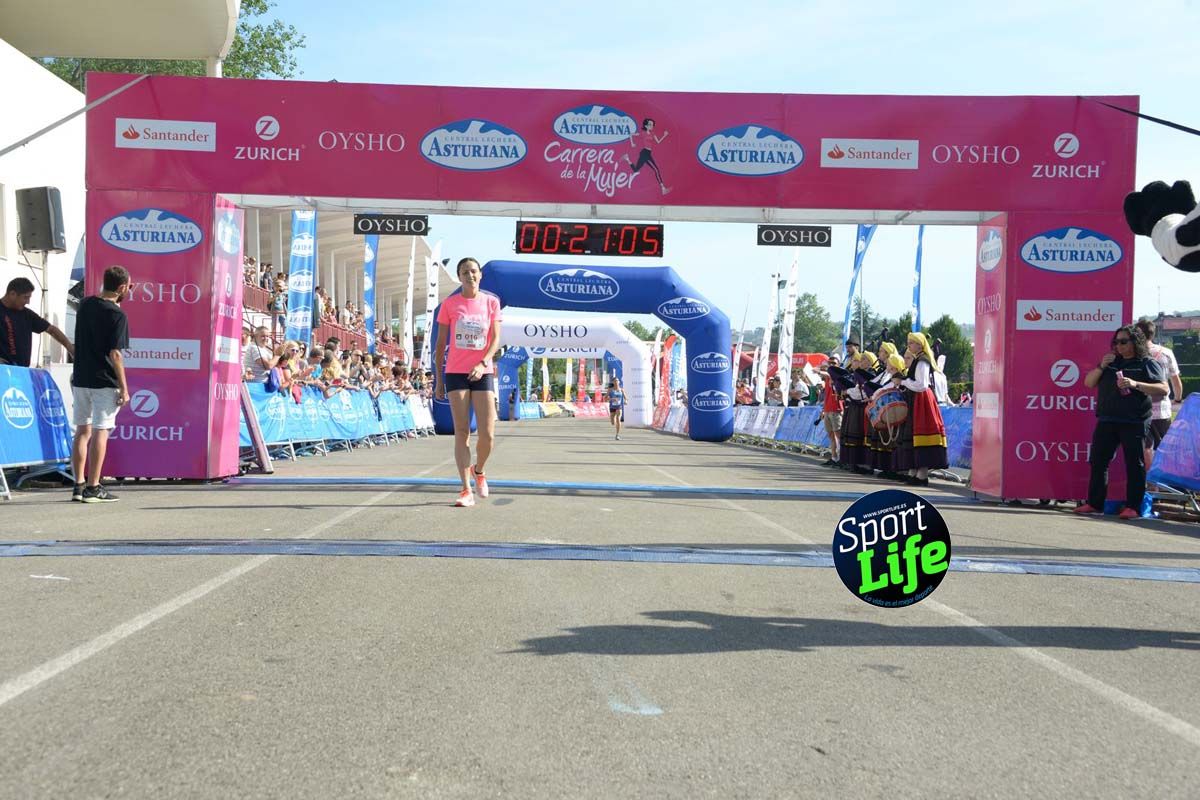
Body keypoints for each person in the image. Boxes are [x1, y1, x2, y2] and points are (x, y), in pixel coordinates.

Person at [1074, 325, 1168, 518]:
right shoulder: (1111, 361)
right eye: (1116, 342)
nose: (1119, 345)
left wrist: (1135, 384)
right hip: (1107, 419)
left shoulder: (1146, 362)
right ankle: (1094, 503)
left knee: (1134, 464)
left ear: (1136, 342)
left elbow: (1163, 389)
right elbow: (1089, 383)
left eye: (1124, 342)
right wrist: (1101, 366)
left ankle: (1133, 506)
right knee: (1098, 461)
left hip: (1134, 421)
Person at [435, 257, 502, 508]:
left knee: (487, 434)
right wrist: (439, 380)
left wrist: (483, 362)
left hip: (483, 372)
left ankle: (479, 470)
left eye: (473, 271)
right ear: (459, 276)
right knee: (461, 432)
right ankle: (465, 490)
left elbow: (495, 339)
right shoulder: (449, 305)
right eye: (464, 272)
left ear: (480, 275)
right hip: (455, 372)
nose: (470, 275)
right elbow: (440, 345)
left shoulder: (491, 302)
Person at [70, 265, 131, 503]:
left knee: (82, 431)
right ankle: (94, 487)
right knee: (100, 432)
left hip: (81, 377)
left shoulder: (85, 305)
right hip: (104, 380)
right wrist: (125, 388)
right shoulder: (117, 315)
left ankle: (78, 485)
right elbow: (115, 354)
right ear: (123, 287)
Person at [891, 332, 948, 487]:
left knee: (922, 433)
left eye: (911, 343)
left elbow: (921, 385)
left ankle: (921, 473)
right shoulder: (919, 360)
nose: (909, 345)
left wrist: (902, 381)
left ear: (920, 344)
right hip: (916, 400)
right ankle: (915, 471)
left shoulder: (923, 361)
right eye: (909, 342)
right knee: (913, 433)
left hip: (921, 400)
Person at [1135, 317, 1184, 468]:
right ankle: (1162, 481)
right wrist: (1177, 399)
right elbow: (1176, 381)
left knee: (1146, 446)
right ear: (1153, 333)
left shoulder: (1135, 353)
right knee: (1163, 446)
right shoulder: (1166, 353)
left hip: (1141, 409)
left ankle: (1149, 481)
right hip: (1162, 410)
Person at [0, 277, 74, 366]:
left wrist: (70, 348)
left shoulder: (26, 314)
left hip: (21, 370)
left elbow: (51, 329)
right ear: (12, 294)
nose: (28, 302)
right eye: (25, 297)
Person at [866, 342, 907, 481]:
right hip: (890, 411)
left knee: (895, 442)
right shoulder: (887, 375)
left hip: (896, 412)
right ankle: (889, 468)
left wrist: (876, 393)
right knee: (890, 442)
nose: (888, 368)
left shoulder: (899, 378)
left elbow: (885, 388)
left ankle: (896, 469)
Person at [623, 117, 671, 195]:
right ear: (646, 126)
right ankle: (663, 189)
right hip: (644, 153)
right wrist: (632, 143)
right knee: (656, 169)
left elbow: (658, 141)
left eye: (652, 124)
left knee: (636, 169)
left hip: (648, 153)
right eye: (650, 124)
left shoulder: (653, 133)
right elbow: (631, 134)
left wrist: (664, 135)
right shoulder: (643, 133)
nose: (651, 126)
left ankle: (627, 158)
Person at [817, 354, 844, 466]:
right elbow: (827, 395)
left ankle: (841, 458)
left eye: (834, 363)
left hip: (837, 409)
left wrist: (818, 371)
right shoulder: (828, 377)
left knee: (838, 435)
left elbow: (826, 373)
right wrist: (823, 410)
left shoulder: (838, 375)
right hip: (828, 409)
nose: (831, 365)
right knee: (831, 436)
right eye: (830, 363)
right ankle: (834, 458)